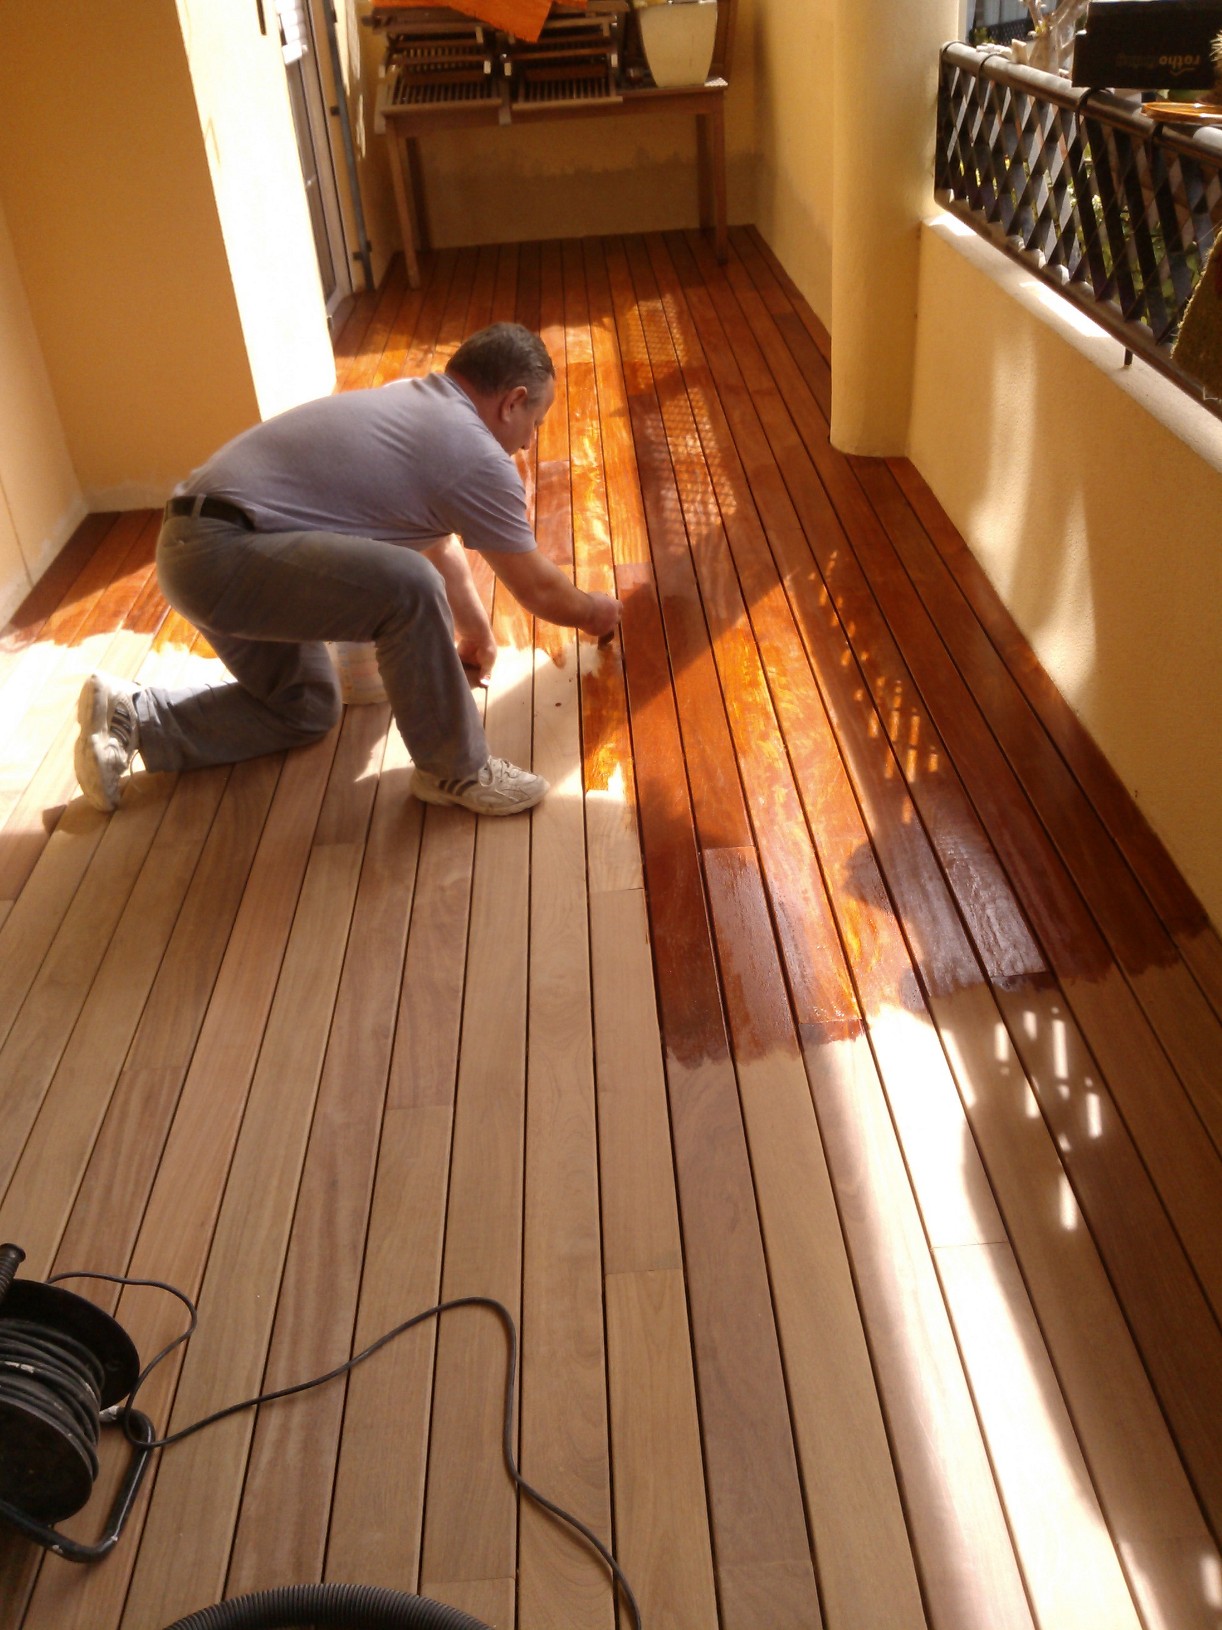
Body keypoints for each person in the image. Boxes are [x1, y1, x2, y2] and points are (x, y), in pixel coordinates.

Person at [73, 323, 622, 817]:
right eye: (535, 421)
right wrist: (598, 611)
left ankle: (135, 717)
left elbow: (438, 545)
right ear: (513, 401)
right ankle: (457, 769)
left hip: (196, 542)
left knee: (305, 707)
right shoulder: (474, 452)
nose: (530, 440)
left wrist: (476, 633)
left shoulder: (414, 403)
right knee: (408, 589)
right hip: (225, 554)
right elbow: (537, 588)